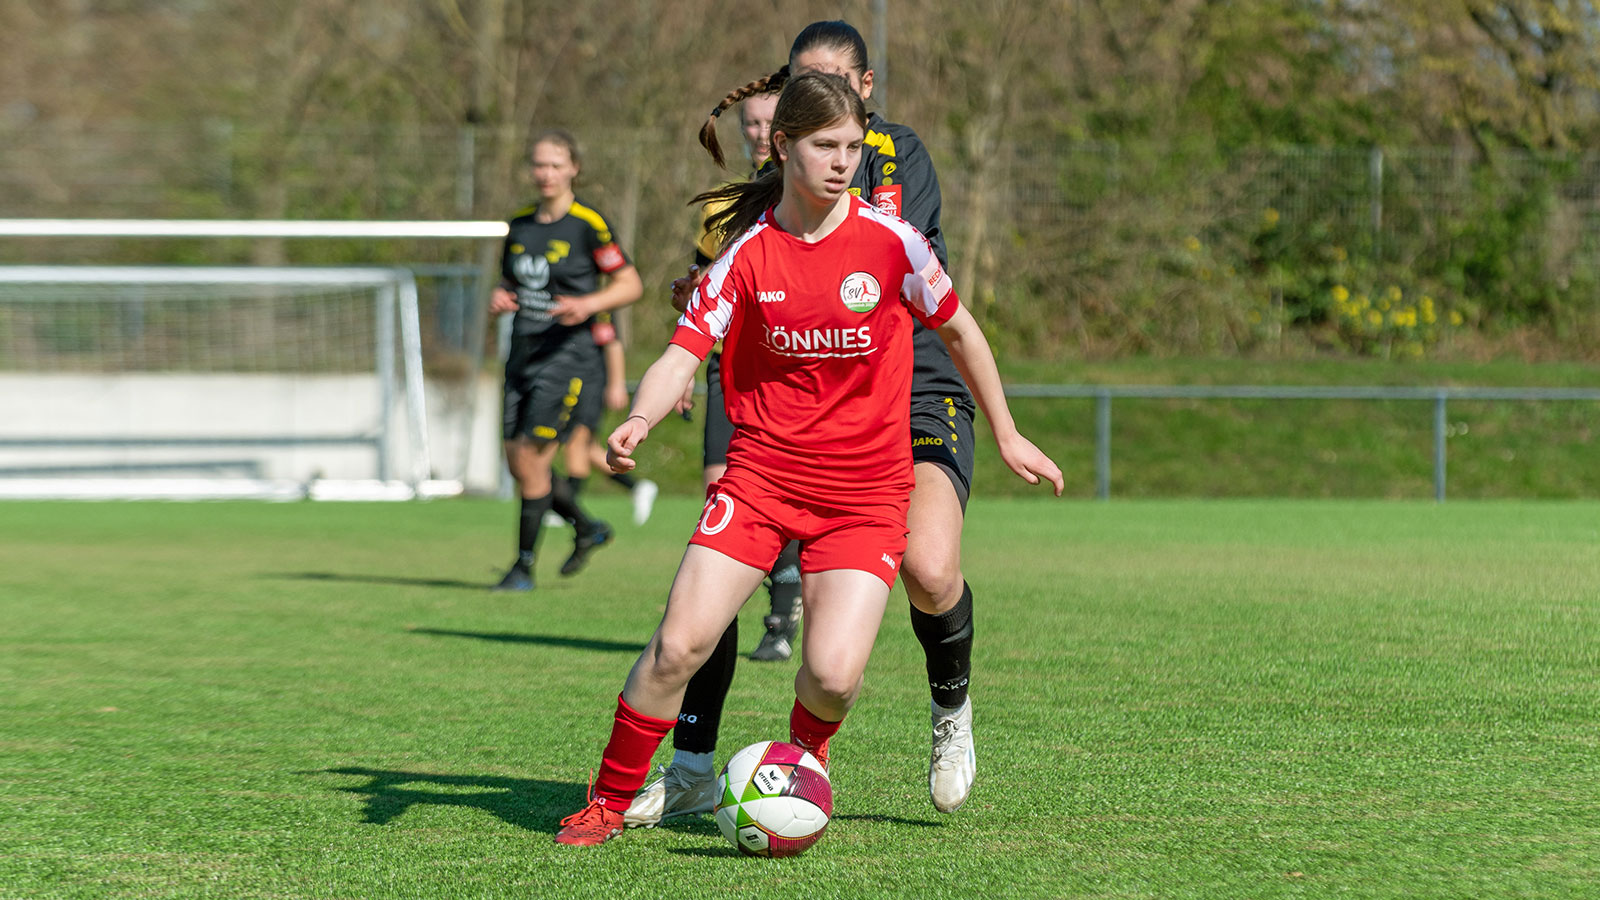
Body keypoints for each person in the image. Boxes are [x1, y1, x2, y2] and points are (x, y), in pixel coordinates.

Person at [553, 70, 1062, 846]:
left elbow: (963, 333)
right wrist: (642, 417)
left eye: (854, 147)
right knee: (678, 646)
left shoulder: (895, 244)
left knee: (832, 676)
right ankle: (608, 801)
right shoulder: (749, 253)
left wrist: (1007, 429)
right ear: (783, 146)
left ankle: (798, 769)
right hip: (760, 482)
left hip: (865, 493)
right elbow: (683, 350)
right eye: (826, 146)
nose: (843, 162)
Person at [632, 19, 987, 823]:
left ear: (864, 90)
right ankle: (690, 764)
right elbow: (719, 283)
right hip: (782, 398)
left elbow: (907, 275)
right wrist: (679, 364)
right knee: (711, 584)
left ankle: (950, 713)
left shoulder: (891, 161)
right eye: (797, 82)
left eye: (831, 85)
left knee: (930, 568)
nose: (832, 147)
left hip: (906, 380)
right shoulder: (760, 187)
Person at [489, 130, 643, 591]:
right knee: (517, 461)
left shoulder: (588, 223)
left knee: (535, 457)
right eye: (539, 165)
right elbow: (509, 284)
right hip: (522, 351)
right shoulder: (518, 225)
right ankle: (587, 526)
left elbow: (630, 284)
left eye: (556, 165)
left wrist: (589, 304)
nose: (546, 174)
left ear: (574, 167)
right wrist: (502, 297)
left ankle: (523, 566)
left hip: (567, 357)